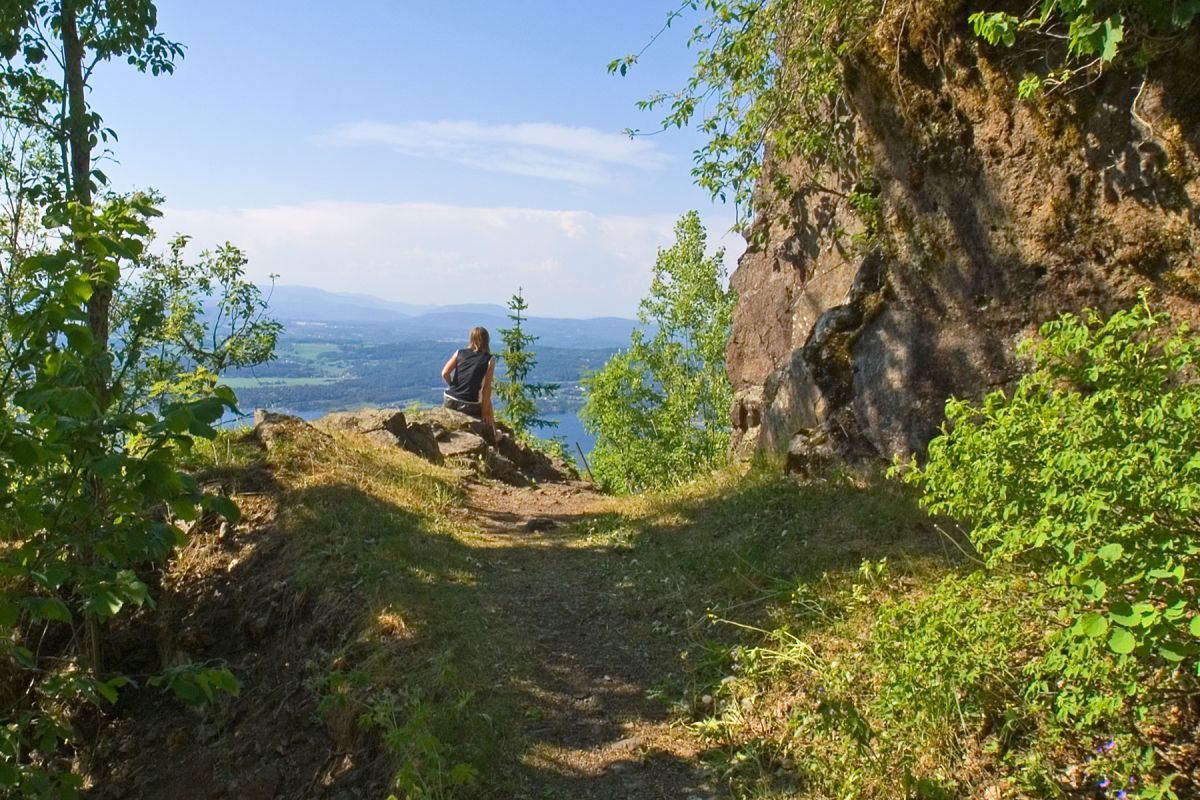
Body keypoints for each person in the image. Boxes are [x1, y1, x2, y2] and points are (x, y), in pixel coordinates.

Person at [441, 326, 496, 436]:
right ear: (487, 341)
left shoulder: (459, 352)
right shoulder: (489, 359)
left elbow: (445, 373)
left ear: (471, 339)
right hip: (469, 404)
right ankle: (493, 432)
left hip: (449, 399)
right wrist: (485, 415)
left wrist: (452, 385)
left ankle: (493, 430)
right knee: (487, 399)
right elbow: (486, 389)